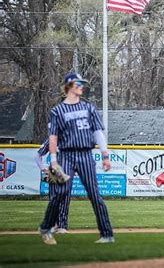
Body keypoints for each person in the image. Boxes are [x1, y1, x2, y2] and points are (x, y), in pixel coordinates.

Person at [38, 73, 114, 245]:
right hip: (65, 155)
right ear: (68, 86)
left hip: (86, 154)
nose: (81, 86)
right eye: (78, 83)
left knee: (95, 194)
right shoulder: (57, 111)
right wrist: (54, 160)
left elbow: (98, 133)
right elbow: (53, 138)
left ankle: (107, 234)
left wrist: (105, 155)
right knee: (60, 193)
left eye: (82, 83)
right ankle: (46, 227)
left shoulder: (89, 108)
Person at [36, 140, 70, 234]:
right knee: (54, 200)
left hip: (67, 172)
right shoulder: (51, 140)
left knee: (65, 200)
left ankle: (62, 226)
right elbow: (37, 156)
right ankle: (54, 224)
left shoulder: (72, 138)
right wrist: (44, 169)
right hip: (54, 174)